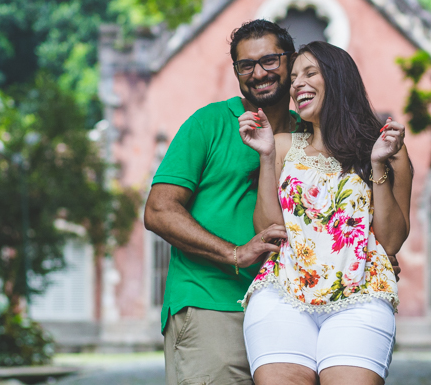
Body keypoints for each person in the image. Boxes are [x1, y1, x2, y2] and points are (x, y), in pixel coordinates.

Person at [237, 41, 413, 385]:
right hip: (282, 294)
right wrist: (266, 156)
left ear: (337, 79)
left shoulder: (388, 150)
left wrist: (376, 163)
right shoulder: (283, 145)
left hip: (362, 295)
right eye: (295, 78)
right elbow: (270, 229)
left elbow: (390, 241)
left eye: (310, 73)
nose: (297, 84)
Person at [144, 19, 300, 385]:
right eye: (246, 65)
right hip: (212, 304)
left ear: (290, 61)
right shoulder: (209, 123)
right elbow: (158, 210)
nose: (259, 73)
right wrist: (235, 253)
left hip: (292, 310)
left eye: (270, 61)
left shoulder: (311, 131)